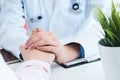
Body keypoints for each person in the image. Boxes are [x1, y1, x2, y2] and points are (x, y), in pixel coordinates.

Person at [0, 0, 107, 64]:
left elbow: (107, 26)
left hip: (80, 60)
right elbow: (8, 27)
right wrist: (27, 50)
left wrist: (68, 50)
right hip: (36, 59)